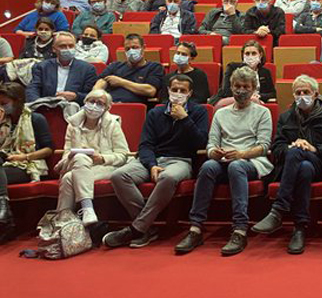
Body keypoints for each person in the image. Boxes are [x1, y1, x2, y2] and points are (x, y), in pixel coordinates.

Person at [175, 66, 273, 256]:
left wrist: (241, 154)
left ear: (253, 88)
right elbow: (211, 145)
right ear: (231, 86)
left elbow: (264, 146)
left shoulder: (263, 112)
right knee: (208, 166)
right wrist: (215, 153)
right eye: (237, 86)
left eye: (246, 86)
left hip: (252, 161)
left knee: (236, 167)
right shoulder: (221, 113)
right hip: (223, 160)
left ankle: (240, 229)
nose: (241, 90)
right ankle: (195, 228)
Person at [104, 74, 209, 249]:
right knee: (118, 175)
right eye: (174, 89)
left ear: (190, 93)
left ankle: (137, 228)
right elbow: (145, 144)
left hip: (180, 160)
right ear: (168, 91)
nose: (177, 93)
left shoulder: (198, 112)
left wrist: (184, 119)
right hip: (152, 159)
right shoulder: (155, 113)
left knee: (167, 177)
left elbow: (200, 143)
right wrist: (152, 164)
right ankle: (146, 227)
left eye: (182, 91)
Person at [251, 75, 322, 254]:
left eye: (306, 92)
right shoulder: (286, 117)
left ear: (315, 94)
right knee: (303, 166)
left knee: (301, 156)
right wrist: (292, 147)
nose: (302, 95)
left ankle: (279, 210)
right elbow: (277, 148)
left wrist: (313, 148)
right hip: (295, 167)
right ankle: (300, 228)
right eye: (298, 93)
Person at [55, 89, 130, 226]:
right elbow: (66, 152)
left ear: (106, 108)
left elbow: (123, 155)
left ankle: (62, 222)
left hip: (105, 167)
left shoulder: (112, 124)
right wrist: (72, 155)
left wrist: (101, 158)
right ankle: (87, 209)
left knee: (68, 178)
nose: (94, 106)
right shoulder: (73, 124)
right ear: (85, 102)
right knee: (80, 158)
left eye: (100, 103)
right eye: (91, 101)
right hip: (78, 165)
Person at [0, 82, 53, 235]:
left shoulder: (36, 119)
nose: (2, 107)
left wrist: (24, 156)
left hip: (27, 165)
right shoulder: (4, 121)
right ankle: (5, 215)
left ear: (17, 101)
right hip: (6, 162)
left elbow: (48, 149)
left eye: (5, 103)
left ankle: (4, 210)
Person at [26, 32, 97, 104]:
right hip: (46, 106)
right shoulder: (42, 67)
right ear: (54, 49)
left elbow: (91, 96)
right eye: (62, 46)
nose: (67, 49)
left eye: (71, 46)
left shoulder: (87, 69)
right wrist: (38, 104)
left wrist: (76, 96)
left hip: (73, 108)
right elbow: (33, 89)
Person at [93, 33, 164, 104]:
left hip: (134, 106)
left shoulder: (154, 67)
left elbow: (150, 91)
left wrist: (121, 82)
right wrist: (98, 94)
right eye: (127, 49)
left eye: (135, 47)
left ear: (143, 48)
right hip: (109, 104)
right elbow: (101, 81)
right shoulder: (115, 65)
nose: (131, 51)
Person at [209, 40, 275, 108]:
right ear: (243, 55)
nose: (250, 56)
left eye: (254, 53)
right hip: (232, 100)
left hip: (256, 102)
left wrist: (259, 95)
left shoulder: (265, 72)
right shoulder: (233, 67)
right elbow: (226, 91)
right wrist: (248, 96)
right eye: (247, 53)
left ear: (260, 55)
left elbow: (272, 94)